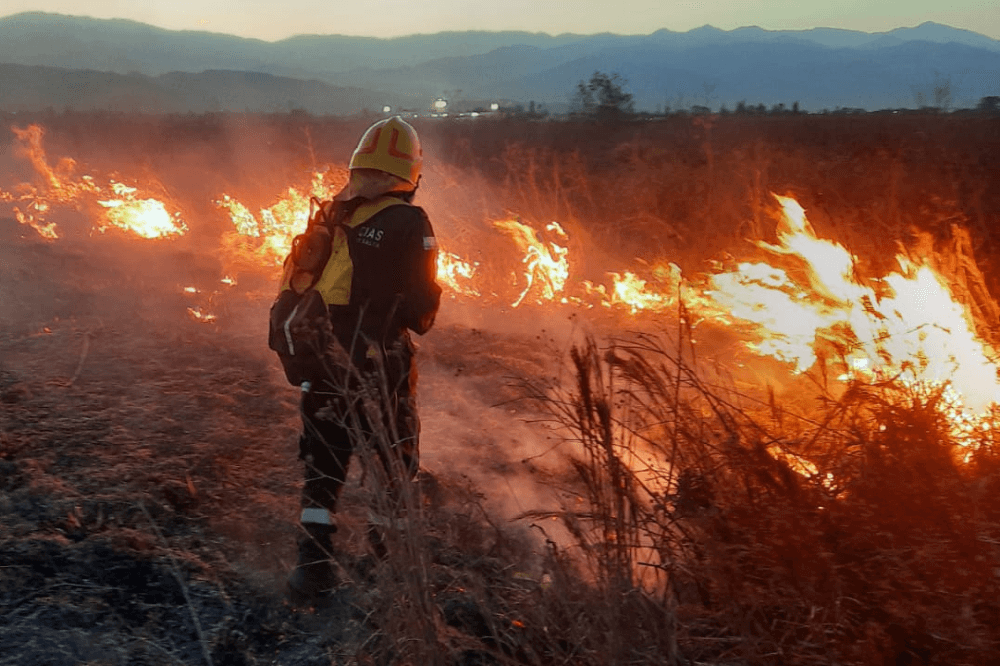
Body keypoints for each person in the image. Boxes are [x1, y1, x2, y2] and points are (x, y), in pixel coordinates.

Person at [275, 116, 441, 603]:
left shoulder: (329, 215)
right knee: (393, 462)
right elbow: (420, 314)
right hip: (378, 365)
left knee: (323, 464)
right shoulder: (411, 221)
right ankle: (383, 572)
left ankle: (311, 572)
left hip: (321, 360)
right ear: (409, 175)